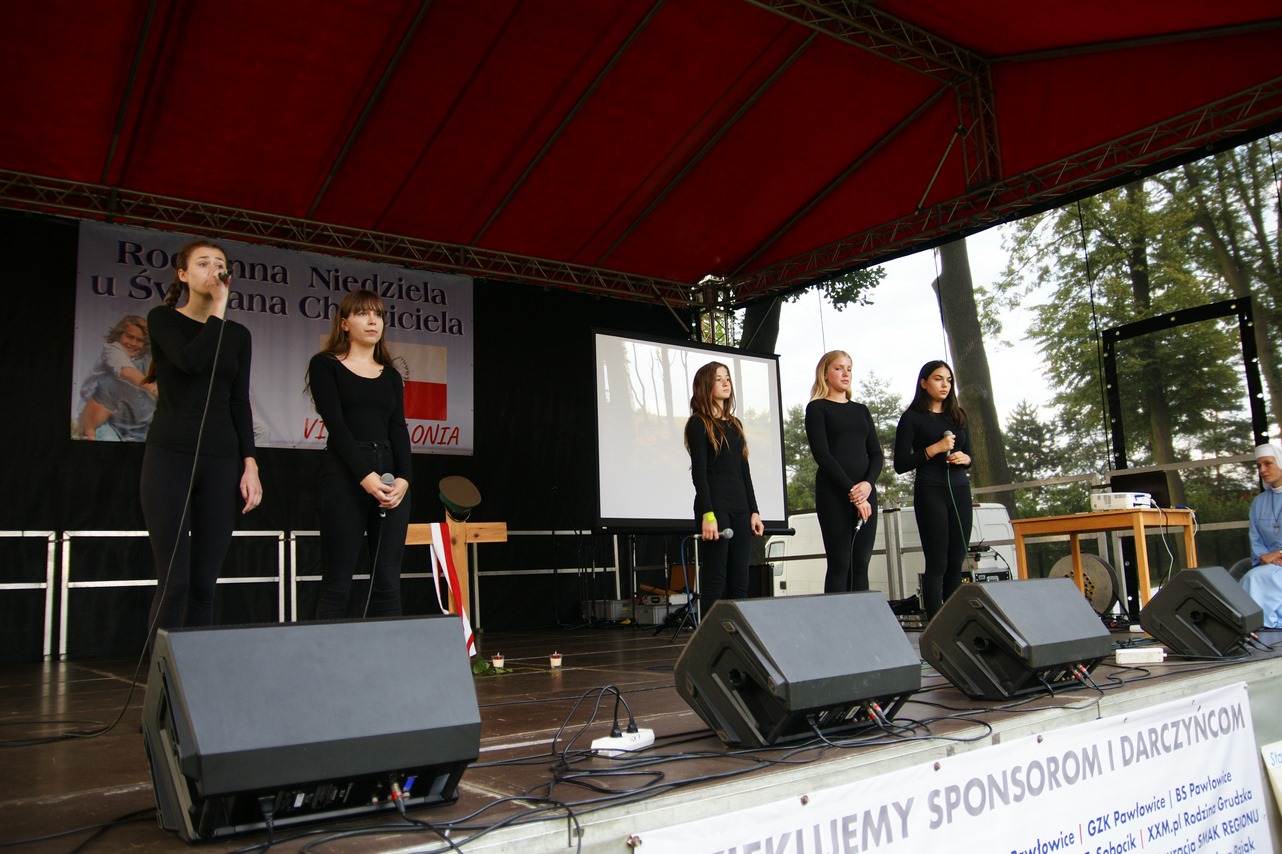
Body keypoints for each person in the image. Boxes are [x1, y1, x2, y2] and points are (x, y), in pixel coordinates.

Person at [140, 239, 262, 652]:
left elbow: (239, 400)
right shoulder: (163, 319)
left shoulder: (238, 336)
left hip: (222, 458)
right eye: (203, 263)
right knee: (174, 581)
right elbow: (191, 361)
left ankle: (196, 675)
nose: (214, 270)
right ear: (183, 274)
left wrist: (250, 463)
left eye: (220, 264)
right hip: (170, 454)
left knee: (204, 584)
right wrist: (218, 307)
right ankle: (161, 679)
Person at [307, 289, 412, 619]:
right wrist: (365, 476)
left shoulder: (390, 374)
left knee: (388, 580)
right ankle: (328, 652)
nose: (372, 321)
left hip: (390, 472)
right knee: (337, 581)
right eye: (363, 313)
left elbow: (398, 427)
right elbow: (336, 425)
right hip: (345, 472)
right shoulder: (325, 365)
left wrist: (405, 479)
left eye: (378, 314)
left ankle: (387, 650)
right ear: (344, 323)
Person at [893, 360, 972, 620]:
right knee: (937, 561)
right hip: (930, 490)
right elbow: (900, 464)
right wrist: (935, 449)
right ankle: (936, 623)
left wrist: (965, 459)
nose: (945, 385)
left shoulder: (958, 416)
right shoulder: (912, 418)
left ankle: (956, 622)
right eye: (938, 379)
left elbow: (970, 454)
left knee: (956, 561)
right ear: (924, 383)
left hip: (959, 490)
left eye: (948, 380)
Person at [685, 361, 765, 615]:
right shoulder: (699, 423)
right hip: (715, 508)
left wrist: (754, 511)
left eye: (727, 378)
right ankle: (712, 636)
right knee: (716, 578)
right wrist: (708, 514)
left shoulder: (735, 423)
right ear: (706, 385)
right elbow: (700, 473)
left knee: (740, 579)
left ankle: (736, 634)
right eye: (718, 379)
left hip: (741, 508)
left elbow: (744, 471)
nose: (725, 382)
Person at [805, 350, 883, 593]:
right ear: (825, 374)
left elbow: (876, 454)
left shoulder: (861, 410)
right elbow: (822, 455)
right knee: (840, 564)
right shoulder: (817, 408)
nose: (845, 373)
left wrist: (867, 485)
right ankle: (836, 617)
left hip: (865, 493)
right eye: (839, 368)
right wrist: (853, 492)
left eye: (849, 368)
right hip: (834, 493)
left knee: (860, 565)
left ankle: (860, 617)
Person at [75, 315, 157, 441]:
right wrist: (153, 388)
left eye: (139, 340)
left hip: (121, 418)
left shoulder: (142, 356)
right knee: (107, 439)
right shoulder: (112, 349)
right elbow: (126, 371)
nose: (133, 343)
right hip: (96, 415)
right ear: (119, 335)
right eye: (129, 337)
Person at [1239, 443, 1282, 627]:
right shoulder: (1259, 502)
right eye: (1259, 466)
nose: (1262, 470)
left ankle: (1261, 628)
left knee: (1254, 578)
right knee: (1254, 576)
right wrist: (1266, 559)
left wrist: (1279, 554)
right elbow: (1255, 539)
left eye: (1268, 463)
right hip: (1269, 565)